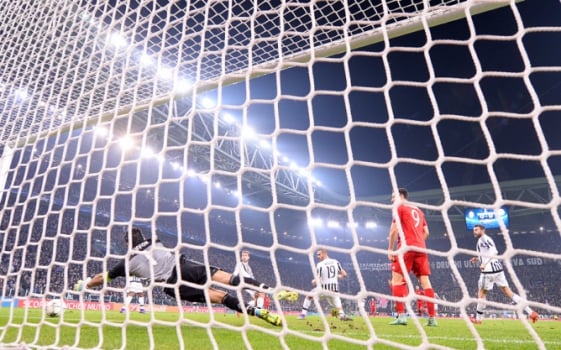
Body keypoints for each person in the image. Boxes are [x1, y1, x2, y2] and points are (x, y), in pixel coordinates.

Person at [74, 227, 282, 326]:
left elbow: (103, 277)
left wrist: (86, 284)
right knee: (229, 278)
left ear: (127, 243)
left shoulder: (125, 264)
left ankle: (256, 312)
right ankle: (268, 289)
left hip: (173, 284)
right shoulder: (155, 240)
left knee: (219, 296)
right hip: (184, 266)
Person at [388, 188, 438, 327]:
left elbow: (393, 231)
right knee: (425, 282)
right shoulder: (418, 210)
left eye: (393, 197)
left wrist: (390, 250)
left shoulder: (399, 207)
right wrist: (418, 241)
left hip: (405, 247)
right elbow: (426, 232)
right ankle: (432, 318)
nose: (392, 200)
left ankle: (402, 316)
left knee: (396, 281)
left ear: (401, 196)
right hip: (421, 248)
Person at [469, 224, 538, 324]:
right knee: (509, 292)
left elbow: (493, 252)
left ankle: (478, 319)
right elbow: (487, 253)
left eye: (476, 230)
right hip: (498, 268)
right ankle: (531, 312)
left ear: (483, 230)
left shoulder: (483, 239)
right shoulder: (485, 240)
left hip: (489, 271)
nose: (474, 231)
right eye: (474, 230)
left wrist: (484, 263)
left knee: (481, 294)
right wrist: (478, 259)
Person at [297, 248, 351, 321]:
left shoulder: (320, 265)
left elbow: (317, 280)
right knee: (336, 302)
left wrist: (314, 281)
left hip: (323, 290)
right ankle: (342, 315)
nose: (318, 257)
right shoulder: (336, 262)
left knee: (309, 296)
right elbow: (344, 275)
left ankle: (303, 314)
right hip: (334, 290)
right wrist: (337, 276)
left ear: (324, 254)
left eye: (319, 254)